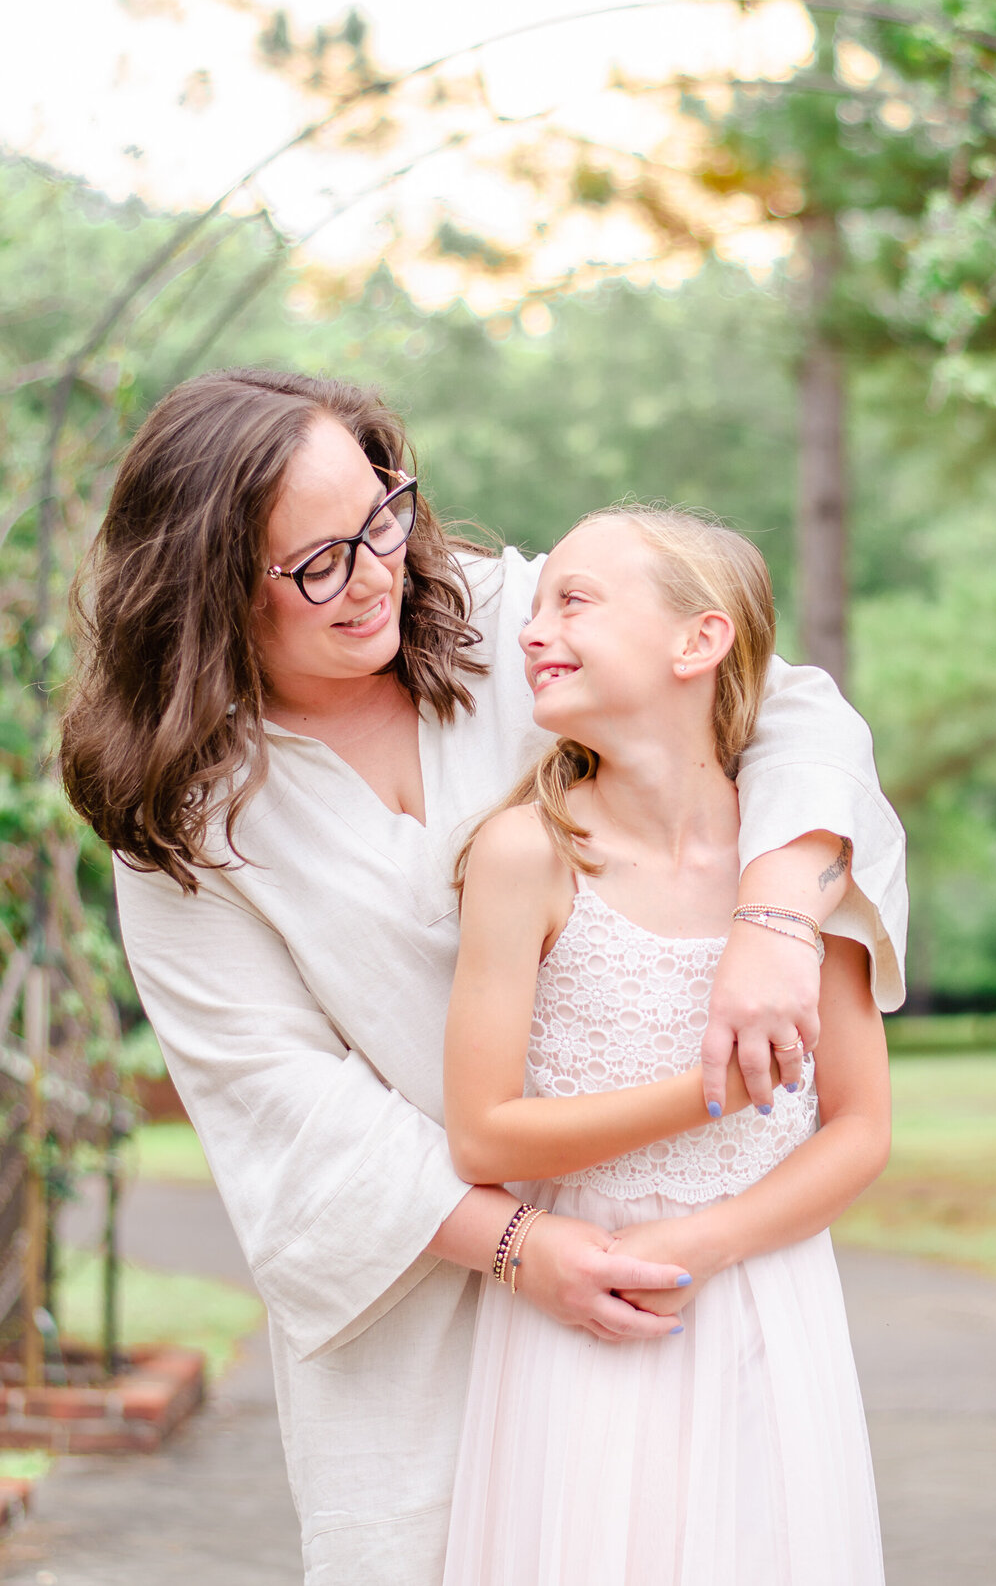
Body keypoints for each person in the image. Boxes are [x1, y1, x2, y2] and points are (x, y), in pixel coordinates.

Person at [59, 368, 906, 1586]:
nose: (374, 575)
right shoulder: (185, 819)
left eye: (382, 517)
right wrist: (521, 1247)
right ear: (204, 593)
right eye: (315, 565)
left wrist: (776, 918)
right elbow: (282, 1103)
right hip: (419, 1294)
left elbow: (792, 710)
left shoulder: (520, 621)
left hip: (664, 1280)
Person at [441, 505, 890, 1585]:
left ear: (699, 642)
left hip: (765, 1300)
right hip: (591, 1303)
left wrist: (716, 1242)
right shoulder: (527, 854)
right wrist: (710, 1092)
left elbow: (863, 1126)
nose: (534, 631)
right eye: (535, 606)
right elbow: (481, 1134)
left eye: (576, 601)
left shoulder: (802, 859)